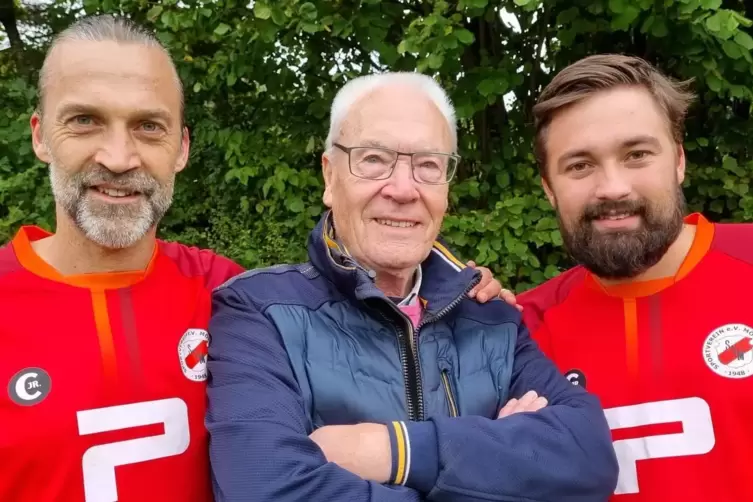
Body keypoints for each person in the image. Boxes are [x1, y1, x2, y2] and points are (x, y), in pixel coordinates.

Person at [0, 16, 506, 502]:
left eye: (148, 127)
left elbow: (367, 311)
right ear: (41, 135)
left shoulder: (232, 296)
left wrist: (455, 293)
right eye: (85, 121)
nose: (117, 156)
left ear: (182, 148)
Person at [206, 72, 619, 502]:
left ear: (447, 187)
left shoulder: (492, 318)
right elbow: (264, 489)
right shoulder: (259, 312)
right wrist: (496, 463)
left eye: (427, 165)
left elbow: (588, 460)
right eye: (373, 159)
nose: (403, 189)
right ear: (330, 177)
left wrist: (392, 451)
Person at [518, 54, 753, 502]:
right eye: (580, 165)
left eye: (637, 155)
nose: (613, 187)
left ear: (679, 160)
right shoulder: (520, 329)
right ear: (548, 186)